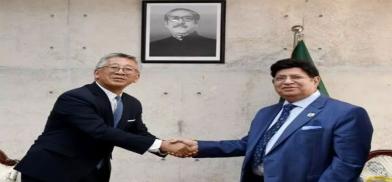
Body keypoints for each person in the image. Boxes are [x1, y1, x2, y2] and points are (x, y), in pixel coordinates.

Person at [173, 59, 373, 182]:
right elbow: (247, 145)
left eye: (296, 77)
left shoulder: (346, 113)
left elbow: (347, 164)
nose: (287, 82)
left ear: (315, 80)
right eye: (280, 78)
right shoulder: (266, 113)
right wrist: (198, 146)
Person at [14, 53, 193, 182]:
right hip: (52, 169)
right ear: (97, 73)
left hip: (95, 170)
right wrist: (162, 145)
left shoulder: (132, 103)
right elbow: (99, 131)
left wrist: (163, 147)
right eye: (114, 67)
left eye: (128, 69)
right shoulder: (76, 97)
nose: (121, 72)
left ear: (136, 77)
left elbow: (139, 133)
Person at [149, 8, 216, 57]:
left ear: (196, 23)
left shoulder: (214, 45)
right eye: (175, 18)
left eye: (187, 18)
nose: (180, 22)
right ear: (166, 24)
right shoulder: (152, 46)